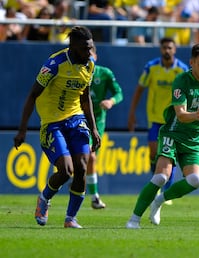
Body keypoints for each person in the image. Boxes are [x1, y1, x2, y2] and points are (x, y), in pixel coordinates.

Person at [126, 42, 199, 229]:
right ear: (191, 62)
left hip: (195, 141)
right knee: (160, 178)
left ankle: (158, 202)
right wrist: (194, 115)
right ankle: (134, 219)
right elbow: (180, 114)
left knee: (196, 180)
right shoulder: (181, 80)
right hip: (172, 134)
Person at [13, 26, 101, 228]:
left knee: (81, 167)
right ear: (73, 47)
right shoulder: (54, 64)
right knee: (66, 170)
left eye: (91, 48)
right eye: (85, 49)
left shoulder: (90, 65)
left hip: (75, 118)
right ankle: (44, 198)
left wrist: (93, 128)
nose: (89, 53)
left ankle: (71, 219)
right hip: (52, 122)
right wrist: (22, 130)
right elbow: (32, 95)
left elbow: (85, 97)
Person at [127, 37, 189, 204]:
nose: (167, 50)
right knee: (154, 152)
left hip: (174, 120)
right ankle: (157, 184)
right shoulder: (151, 67)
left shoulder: (182, 70)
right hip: (154, 118)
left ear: (174, 50)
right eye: (164, 48)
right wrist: (132, 113)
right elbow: (139, 90)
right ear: (160, 49)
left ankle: (166, 191)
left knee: (170, 154)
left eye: (170, 48)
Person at [87, 46, 124, 209]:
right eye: (85, 54)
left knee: (90, 156)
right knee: (83, 158)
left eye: (91, 54)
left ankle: (94, 197)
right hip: (77, 117)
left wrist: (111, 101)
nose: (88, 57)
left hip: (97, 121)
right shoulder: (75, 73)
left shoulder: (105, 73)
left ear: (96, 56)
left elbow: (119, 93)